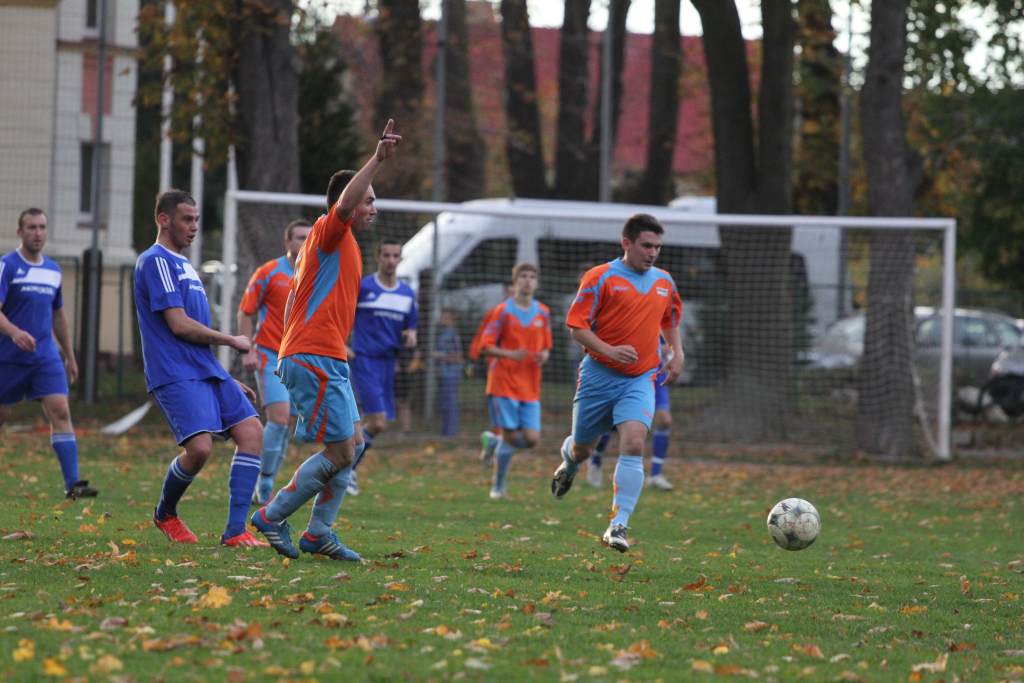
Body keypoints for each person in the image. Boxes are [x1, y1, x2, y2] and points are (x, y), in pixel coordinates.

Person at [250, 119, 402, 561]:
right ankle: (273, 515)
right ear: (346, 203)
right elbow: (348, 200)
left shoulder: (346, 242)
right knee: (340, 450)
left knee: (350, 445)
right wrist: (376, 160)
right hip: (310, 354)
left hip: (328, 355)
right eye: (368, 200)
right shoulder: (328, 230)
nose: (373, 206)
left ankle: (318, 534)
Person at [134, 190, 266, 547]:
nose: (193, 227)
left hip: (205, 370)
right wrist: (231, 339)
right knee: (201, 449)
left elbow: (193, 332)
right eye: (186, 219)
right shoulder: (155, 262)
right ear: (164, 220)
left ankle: (236, 532)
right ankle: (165, 513)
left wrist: (224, 378)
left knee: (252, 432)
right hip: (174, 372)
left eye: (196, 220)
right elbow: (178, 325)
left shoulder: (185, 265)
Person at [551, 214, 683, 552]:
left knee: (635, 443)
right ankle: (569, 462)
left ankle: (618, 525)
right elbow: (576, 327)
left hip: (640, 378)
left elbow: (670, 319)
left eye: (657, 247)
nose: (653, 253)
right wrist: (609, 350)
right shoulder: (600, 277)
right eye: (646, 245)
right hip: (598, 375)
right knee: (584, 449)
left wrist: (676, 351)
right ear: (627, 243)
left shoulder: (665, 281)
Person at [0, 208, 97, 499]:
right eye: (31, 227)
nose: (37, 233)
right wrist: (14, 332)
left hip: (45, 356)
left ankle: (73, 484)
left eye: (42, 227)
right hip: (8, 356)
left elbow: (58, 315)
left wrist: (69, 354)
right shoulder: (8, 266)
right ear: (20, 232)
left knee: (61, 410)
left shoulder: (53, 270)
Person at [237, 219, 312, 504]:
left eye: (309, 238)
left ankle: (266, 481)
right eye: (299, 237)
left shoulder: (315, 274)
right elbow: (245, 312)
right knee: (278, 419)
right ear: (287, 241)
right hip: (270, 354)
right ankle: (264, 483)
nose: (304, 242)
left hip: (300, 358)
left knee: (288, 422)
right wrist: (247, 349)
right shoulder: (268, 272)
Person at [346, 239, 418, 495]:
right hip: (364, 359)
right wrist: (342, 343)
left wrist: (411, 334)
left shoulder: (407, 293)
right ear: (378, 258)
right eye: (386, 255)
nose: (390, 260)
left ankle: (344, 467)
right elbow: (341, 314)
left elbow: (411, 325)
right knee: (377, 422)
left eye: (395, 255)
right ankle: (347, 468)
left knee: (370, 422)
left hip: (389, 363)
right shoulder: (364, 287)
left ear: (400, 259)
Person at [477, 264, 552, 499]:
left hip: (530, 384)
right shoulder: (503, 311)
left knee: (531, 439)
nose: (528, 281)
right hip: (504, 382)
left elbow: (547, 346)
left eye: (532, 277)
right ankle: (498, 487)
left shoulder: (543, 312)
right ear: (515, 282)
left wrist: (543, 356)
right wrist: (510, 354)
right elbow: (484, 346)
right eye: (523, 277)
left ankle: (492, 442)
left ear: (537, 283)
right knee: (511, 437)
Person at [586, 337, 676, 490]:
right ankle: (595, 460)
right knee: (612, 422)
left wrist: (670, 353)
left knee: (664, 420)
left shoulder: (665, 320)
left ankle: (655, 475)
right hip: (631, 374)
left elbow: (672, 344)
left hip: (656, 375)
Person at [433, 308, 463, 436]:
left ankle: (451, 432)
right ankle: (445, 431)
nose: (441, 318)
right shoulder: (442, 333)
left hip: (451, 374)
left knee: (450, 403)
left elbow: (458, 357)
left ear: (450, 317)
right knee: (444, 403)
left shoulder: (454, 335)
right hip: (442, 373)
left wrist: (439, 355)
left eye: (443, 316)